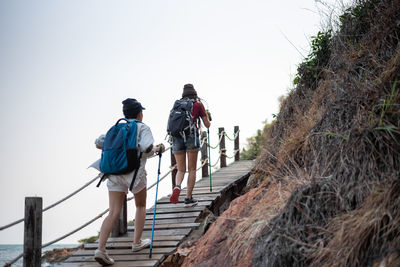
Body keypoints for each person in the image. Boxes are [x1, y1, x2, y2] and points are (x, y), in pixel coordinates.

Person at [94, 98, 165, 266]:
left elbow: (98, 143)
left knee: (113, 211)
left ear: (125, 113)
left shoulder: (116, 127)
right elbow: (147, 149)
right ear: (140, 113)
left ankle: (101, 249)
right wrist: (158, 149)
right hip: (134, 174)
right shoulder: (142, 127)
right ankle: (137, 243)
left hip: (113, 173)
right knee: (140, 205)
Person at [169, 84, 211, 206]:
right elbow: (207, 124)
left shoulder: (177, 104)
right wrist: (206, 115)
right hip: (191, 137)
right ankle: (188, 198)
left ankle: (177, 187)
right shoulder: (198, 104)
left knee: (181, 169)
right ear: (195, 94)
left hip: (176, 138)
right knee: (192, 169)